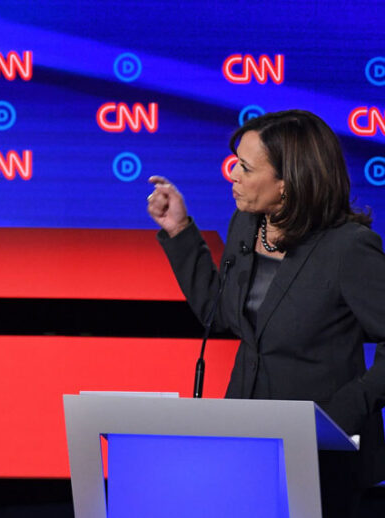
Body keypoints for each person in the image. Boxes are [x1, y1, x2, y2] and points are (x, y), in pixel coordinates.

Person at [147, 109, 385, 517]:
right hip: (246, 441)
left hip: (321, 451)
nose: (233, 175)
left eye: (245, 167)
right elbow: (219, 313)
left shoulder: (349, 249)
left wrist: (345, 410)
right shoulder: (247, 224)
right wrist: (179, 230)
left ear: (287, 184)